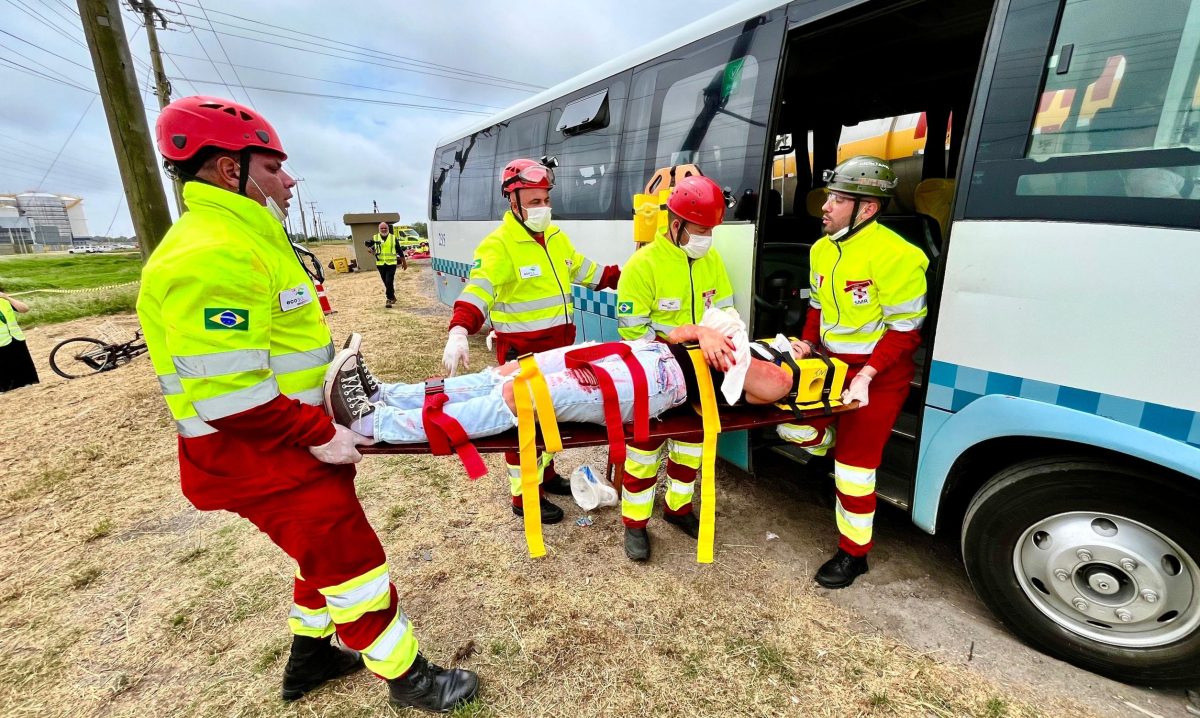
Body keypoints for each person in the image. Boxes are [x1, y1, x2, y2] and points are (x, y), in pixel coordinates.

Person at [136, 95, 477, 712]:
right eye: (273, 167)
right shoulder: (213, 252)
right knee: (352, 564)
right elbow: (229, 393)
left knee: (316, 554)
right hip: (262, 453)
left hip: (276, 444)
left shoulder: (243, 237)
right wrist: (315, 432)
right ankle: (409, 679)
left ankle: (312, 657)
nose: (289, 179)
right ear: (226, 170)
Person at [442, 158, 621, 525]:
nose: (543, 209)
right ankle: (525, 497)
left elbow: (588, 271)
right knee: (525, 425)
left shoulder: (556, 239)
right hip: (522, 352)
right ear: (514, 202)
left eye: (546, 200)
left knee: (549, 415)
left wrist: (627, 275)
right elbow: (478, 289)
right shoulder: (499, 246)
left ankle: (548, 475)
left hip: (558, 349)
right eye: (535, 202)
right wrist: (460, 328)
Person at [778, 155, 928, 589]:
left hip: (879, 375)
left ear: (867, 208)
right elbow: (818, 306)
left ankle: (853, 554)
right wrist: (808, 344)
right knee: (792, 429)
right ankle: (830, 445)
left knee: (855, 471)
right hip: (830, 365)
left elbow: (905, 332)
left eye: (838, 199)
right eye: (828, 197)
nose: (824, 206)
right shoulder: (821, 249)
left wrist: (866, 376)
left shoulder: (901, 256)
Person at [323, 327, 793, 446]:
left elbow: (770, 387)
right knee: (506, 374)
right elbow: (678, 332)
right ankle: (389, 395)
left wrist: (735, 344)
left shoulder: (781, 367)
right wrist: (706, 332)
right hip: (633, 353)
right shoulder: (733, 334)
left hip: (652, 382)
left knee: (518, 398)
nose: (792, 340)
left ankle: (374, 422)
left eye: (800, 344)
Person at [615, 174, 738, 562]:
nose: (707, 239)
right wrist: (685, 336)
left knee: (690, 448)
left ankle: (678, 509)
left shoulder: (711, 259)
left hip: (701, 376)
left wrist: (723, 338)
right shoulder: (642, 266)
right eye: (701, 231)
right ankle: (635, 524)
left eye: (711, 232)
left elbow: (727, 312)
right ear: (675, 225)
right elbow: (632, 334)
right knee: (644, 452)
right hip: (656, 377)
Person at [0, 289, 38, 392]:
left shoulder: (4, 300)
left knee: (22, 363)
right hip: (1, 341)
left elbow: (25, 309)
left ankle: (26, 382)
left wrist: (7, 298)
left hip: (15, 337)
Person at [367, 222, 407, 308]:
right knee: (386, 282)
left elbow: (399, 250)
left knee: (389, 281)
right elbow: (372, 248)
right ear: (379, 229)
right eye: (382, 228)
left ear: (388, 229)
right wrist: (370, 250)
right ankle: (392, 297)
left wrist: (404, 262)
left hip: (391, 264)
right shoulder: (375, 237)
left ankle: (388, 299)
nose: (384, 230)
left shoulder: (393, 238)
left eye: (385, 228)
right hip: (380, 264)